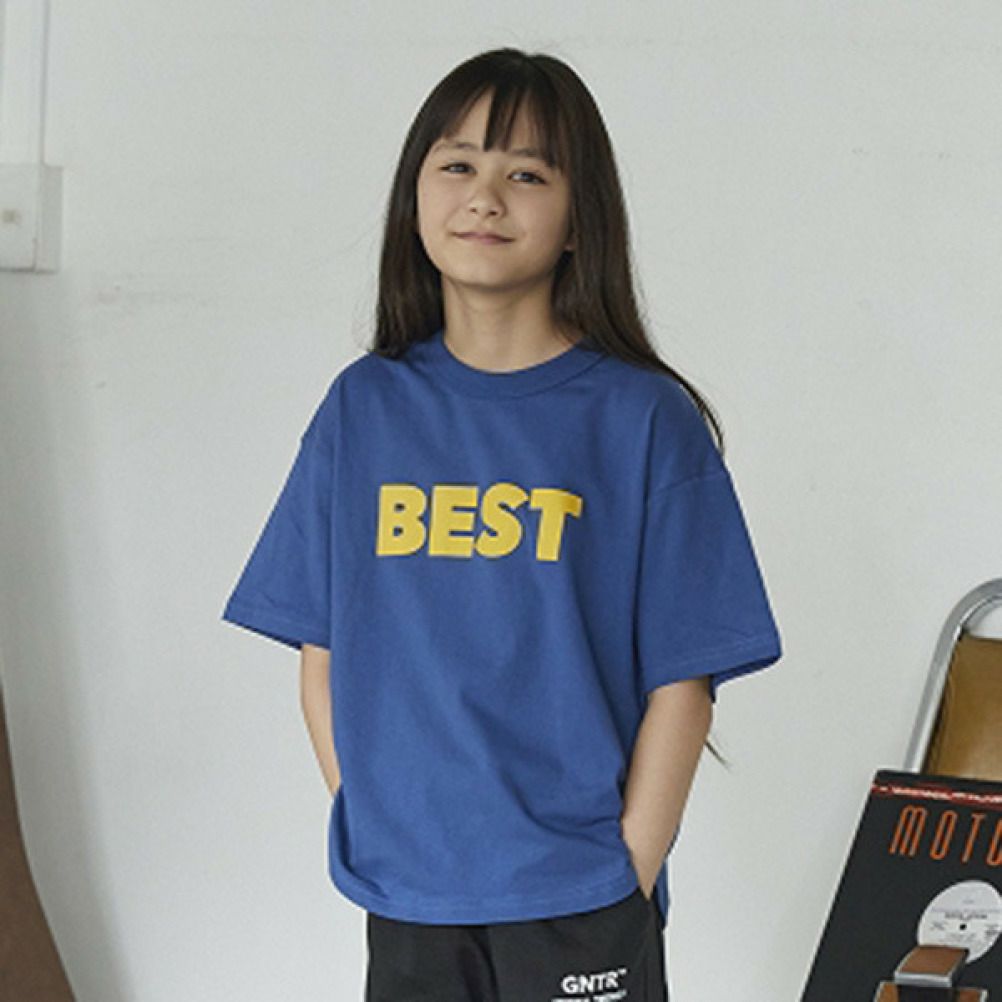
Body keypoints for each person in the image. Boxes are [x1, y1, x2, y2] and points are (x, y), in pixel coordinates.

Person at [221, 46, 783, 1002]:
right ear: (415, 197)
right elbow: (323, 652)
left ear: (578, 221)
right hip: (409, 893)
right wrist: (381, 821)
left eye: (526, 174)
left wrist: (628, 869)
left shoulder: (643, 420)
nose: (484, 197)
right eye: (457, 165)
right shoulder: (363, 410)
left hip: (581, 889)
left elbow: (684, 681)